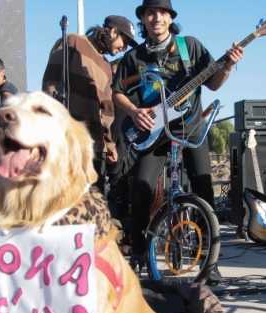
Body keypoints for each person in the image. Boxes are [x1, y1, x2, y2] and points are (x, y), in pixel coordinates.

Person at [112, 0, 244, 284]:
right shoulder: (134, 57)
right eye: (149, 13)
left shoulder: (190, 47)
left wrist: (229, 65)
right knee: (141, 188)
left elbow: (213, 83)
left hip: (191, 129)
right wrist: (135, 112)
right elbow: (117, 93)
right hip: (155, 134)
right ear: (143, 20)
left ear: (170, 18)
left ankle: (211, 260)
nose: (155, 17)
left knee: (204, 189)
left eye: (161, 12)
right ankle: (138, 253)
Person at [42, 15, 138, 190]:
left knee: (93, 200)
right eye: (124, 41)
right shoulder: (73, 42)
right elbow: (50, 84)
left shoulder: (107, 68)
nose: (124, 48)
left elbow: (107, 111)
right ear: (113, 32)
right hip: (66, 142)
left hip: (94, 148)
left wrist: (109, 145)